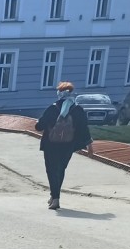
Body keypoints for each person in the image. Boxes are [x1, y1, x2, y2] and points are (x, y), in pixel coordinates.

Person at [35, 81, 93, 210]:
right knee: (60, 170)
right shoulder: (78, 110)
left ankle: (55, 198)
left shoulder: (52, 108)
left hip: (51, 144)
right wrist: (89, 145)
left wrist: (39, 122)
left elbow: (39, 126)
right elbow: (84, 129)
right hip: (68, 145)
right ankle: (54, 196)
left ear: (59, 93)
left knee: (51, 170)